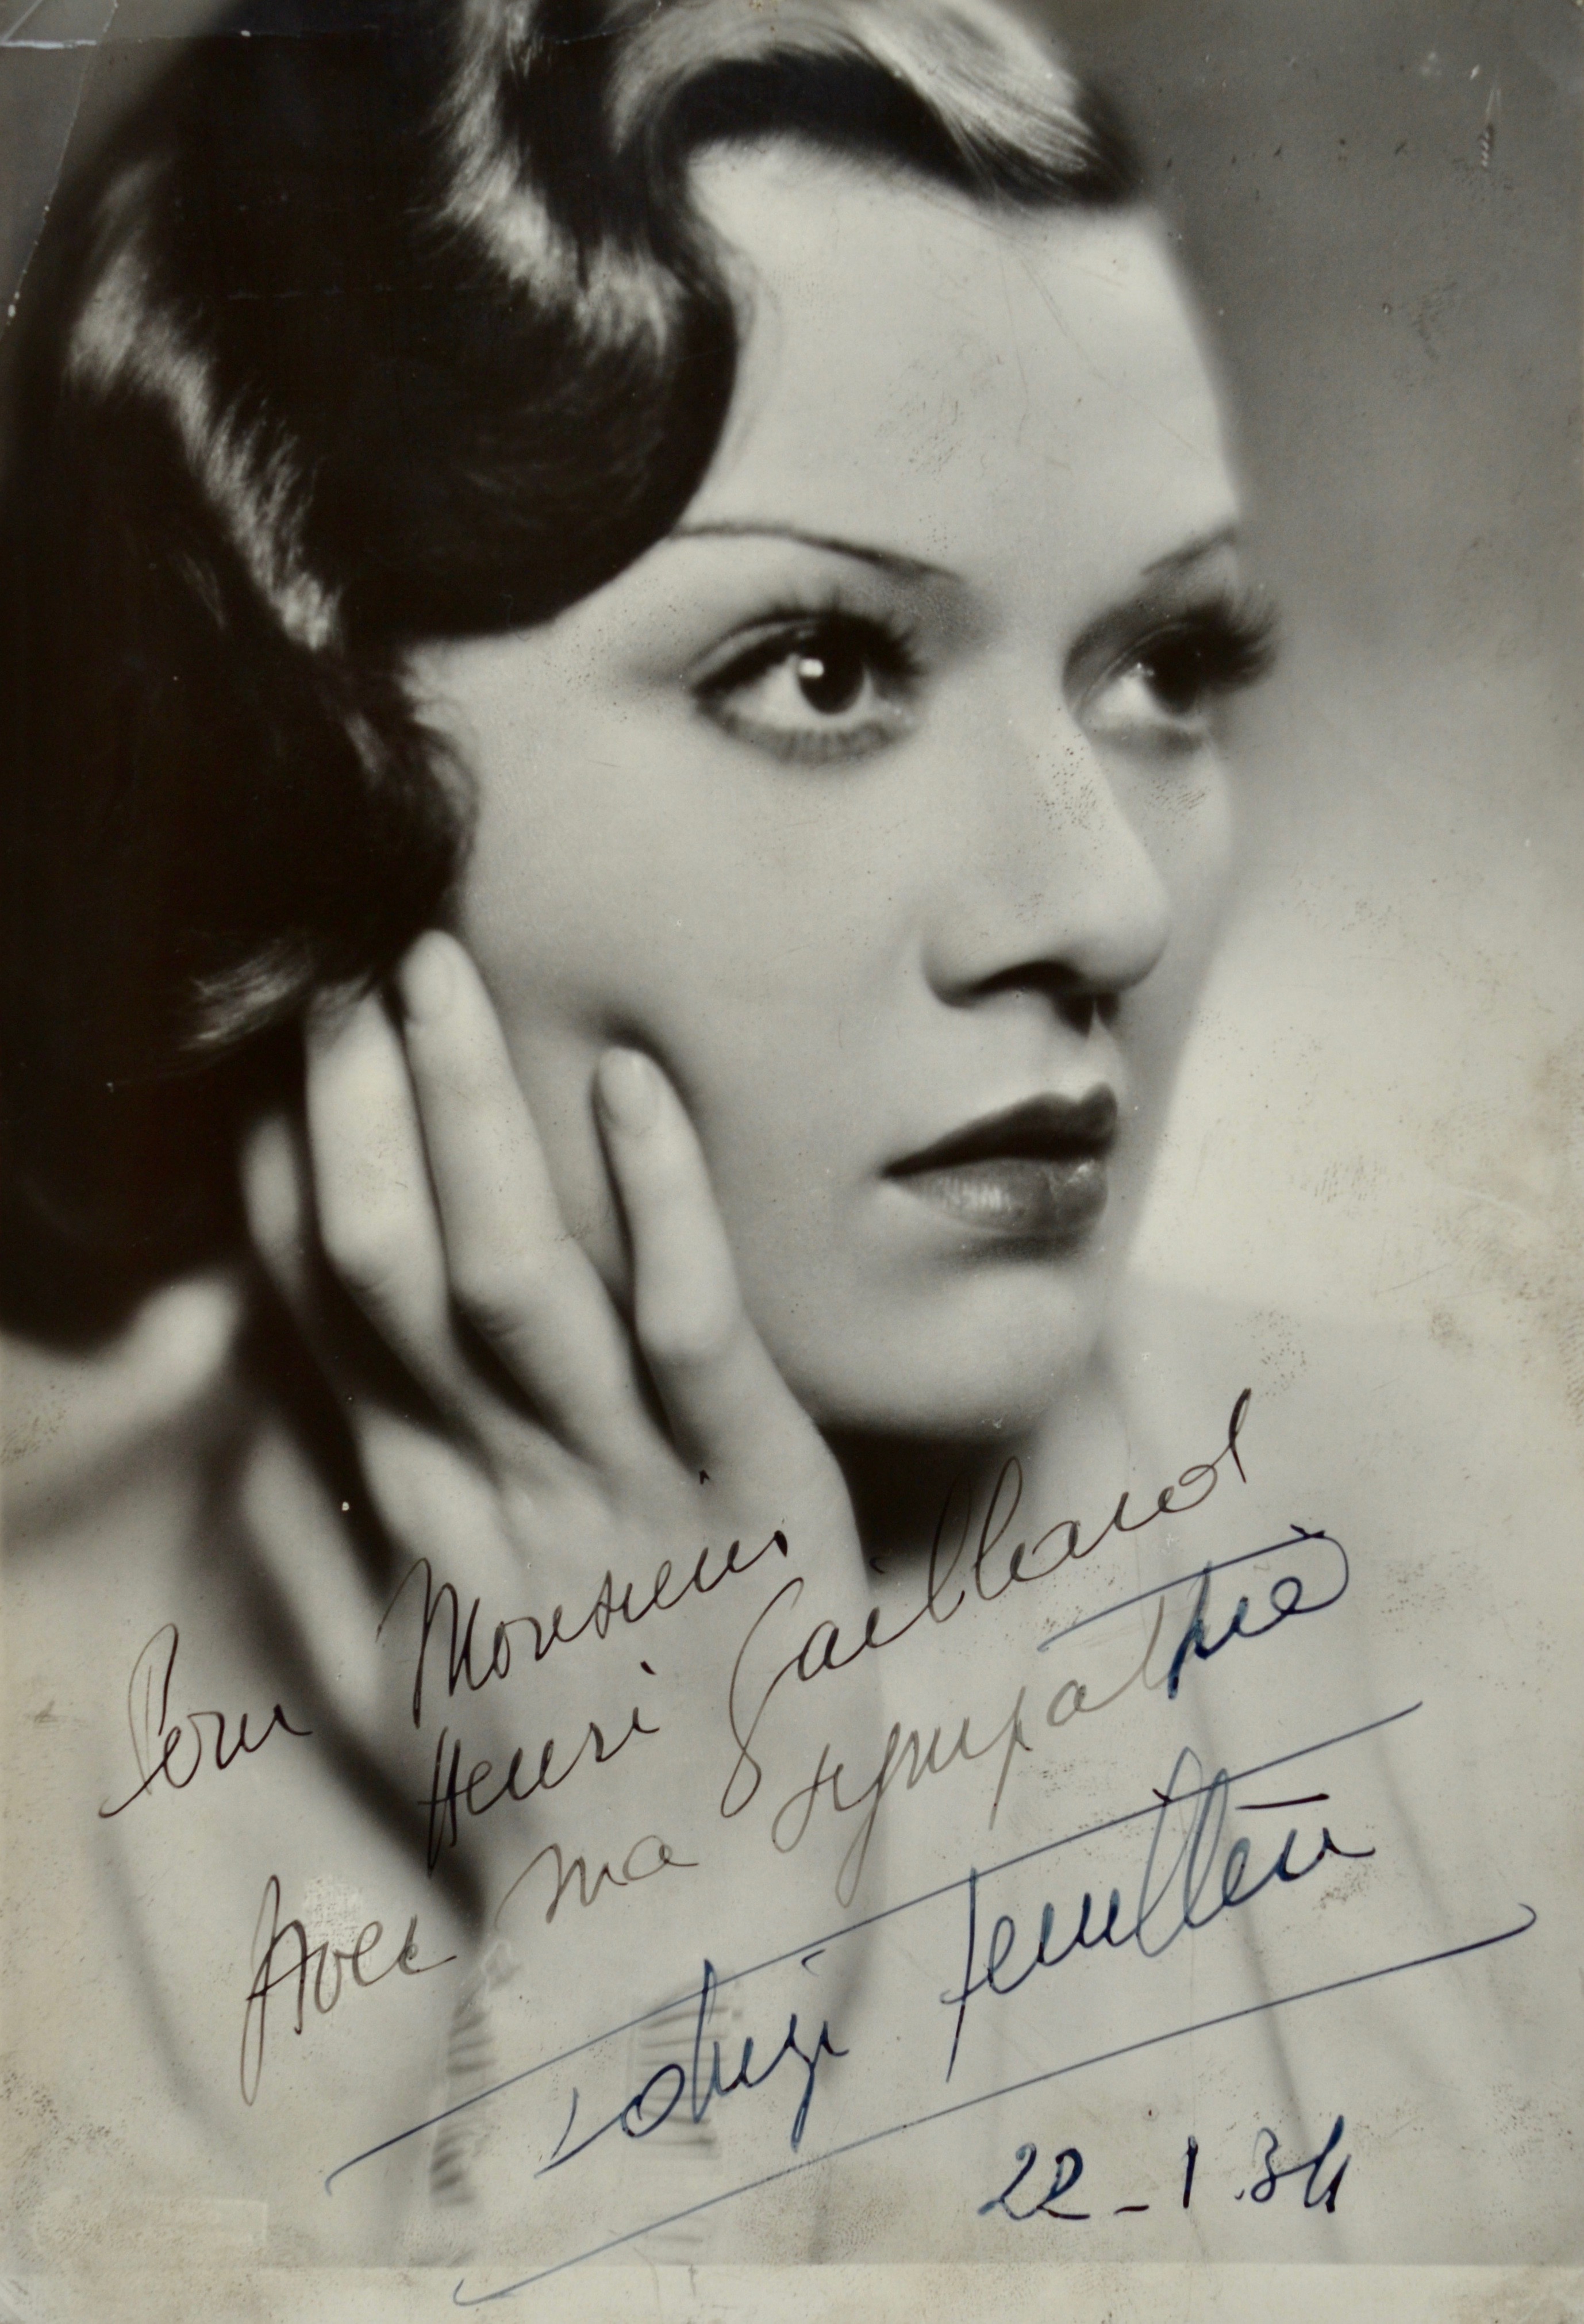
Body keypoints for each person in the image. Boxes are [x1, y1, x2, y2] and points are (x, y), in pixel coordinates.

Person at [0, 0, 1550, 2287]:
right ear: (285, 765)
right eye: (821, 669)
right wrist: (657, 1938)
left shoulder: (1523, 1601)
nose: (1102, 902)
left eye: (1161, 667)